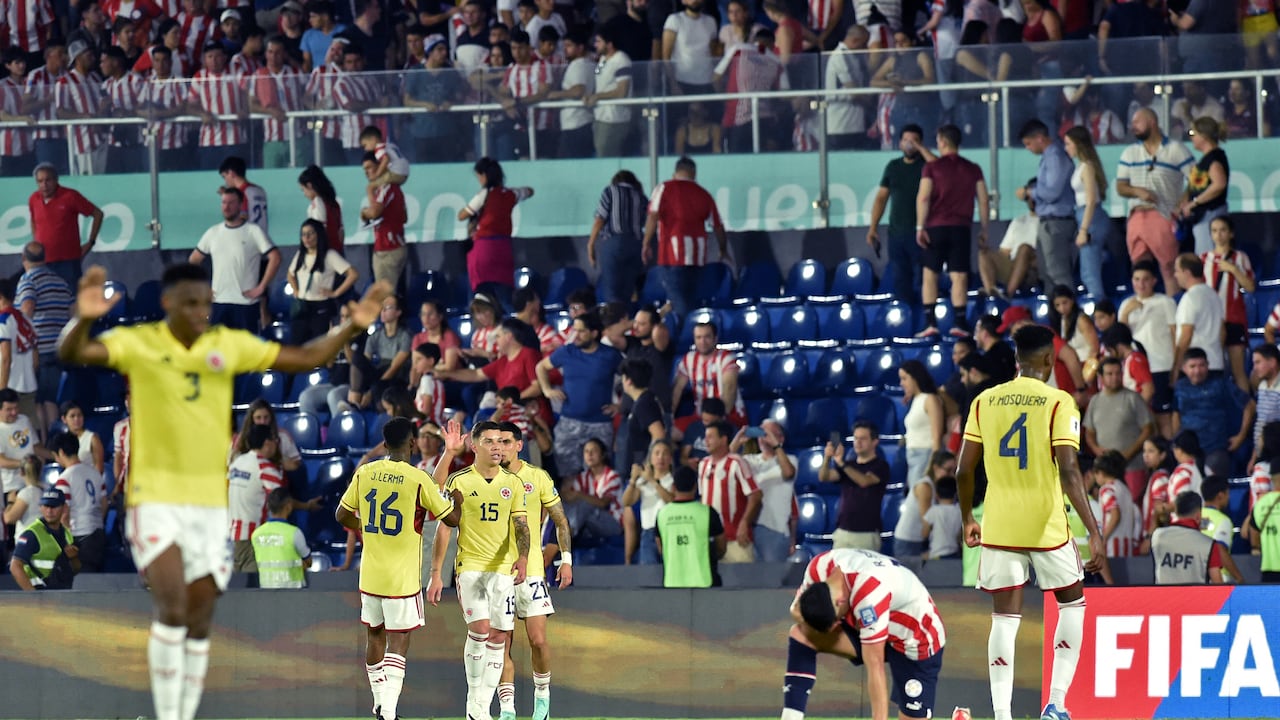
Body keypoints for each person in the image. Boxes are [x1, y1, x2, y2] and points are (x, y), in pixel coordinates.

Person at [57, 262, 390, 720]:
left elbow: (307, 357)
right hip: (155, 499)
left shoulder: (226, 345)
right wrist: (85, 317)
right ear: (168, 303)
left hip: (208, 504)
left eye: (207, 304)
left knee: (195, 616)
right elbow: (72, 349)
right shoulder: (141, 342)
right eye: (191, 303)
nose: (201, 312)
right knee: (172, 604)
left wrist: (351, 325)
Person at [955, 324, 1105, 720]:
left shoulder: (985, 402)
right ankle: (1055, 704)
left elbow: (962, 471)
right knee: (1073, 604)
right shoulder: (1059, 403)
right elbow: (1071, 471)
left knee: (1004, 618)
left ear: (1017, 359)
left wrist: (968, 516)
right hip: (1046, 525)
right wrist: (1094, 530)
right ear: (1049, 359)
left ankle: (1002, 715)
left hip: (1000, 524)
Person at [337, 416, 462, 720]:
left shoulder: (366, 472)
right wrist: (456, 500)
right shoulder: (417, 478)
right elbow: (451, 520)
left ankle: (379, 705)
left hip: (370, 574)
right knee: (400, 638)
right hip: (402, 577)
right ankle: (389, 712)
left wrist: (365, 528)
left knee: (374, 635)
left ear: (385, 442)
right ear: (412, 443)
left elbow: (342, 515)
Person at [426, 420, 530, 720]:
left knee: (499, 637)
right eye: (489, 441)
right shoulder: (460, 481)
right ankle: (474, 699)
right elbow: (438, 506)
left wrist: (522, 558)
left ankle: (481, 708)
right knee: (481, 631)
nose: (497, 446)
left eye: (500, 441)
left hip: (503, 570)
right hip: (470, 566)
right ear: (474, 445)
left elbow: (521, 525)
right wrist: (436, 573)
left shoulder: (512, 483)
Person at [782, 548, 947, 720]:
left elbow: (874, 665)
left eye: (837, 620)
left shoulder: (869, 593)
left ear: (840, 601)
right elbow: (795, 609)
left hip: (915, 640)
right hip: (869, 623)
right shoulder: (818, 569)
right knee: (802, 635)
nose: (837, 626)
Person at [488, 421, 573, 720]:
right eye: (496, 442)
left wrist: (566, 560)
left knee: (538, 639)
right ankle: (507, 710)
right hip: (498, 571)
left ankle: (542, 700)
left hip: (533, 570)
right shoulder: (489, 478)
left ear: (520, 445)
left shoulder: (537, 477)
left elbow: (560, 520)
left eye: (507, 441)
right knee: (501, 643)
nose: (500, 447)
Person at [916, 124, 989, 338]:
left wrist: (920, 226)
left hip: (935, 227)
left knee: (930, 274)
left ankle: (931, 323)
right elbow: (983, 200)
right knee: (959, 276)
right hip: (961, 228)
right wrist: (984, 228)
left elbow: (923, 197)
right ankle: (959, 322)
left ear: (942, 141)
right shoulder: (973, 168)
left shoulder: (932, 168)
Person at [536, 310, 623, 477]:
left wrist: (620, 405)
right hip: (569, 422)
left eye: (581, 331)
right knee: (567, 474)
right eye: (575, 330)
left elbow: (630, 377)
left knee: (600, 475)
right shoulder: (567, 351)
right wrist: (547, 390)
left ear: (594, 333)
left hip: (600, 424)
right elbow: (541, 367)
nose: (576, 335)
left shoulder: (610, 355)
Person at [1116, 108, 1192, 294]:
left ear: (1152, 122)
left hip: (1163, 215)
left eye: (1137, 123)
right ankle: (1143, 311)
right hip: (1136, 215)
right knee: (1140, 268)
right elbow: (1120, 187)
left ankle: (1174, 313)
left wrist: (1182, 204)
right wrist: (1136, 191)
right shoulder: (1130, 153)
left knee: (1168, 268)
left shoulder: (1176, 149)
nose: (1133, 127)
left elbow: (1197, 180)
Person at [643, 156, 729, 318]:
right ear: (694, 173)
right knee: (689, 300)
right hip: (697, 258)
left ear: (675, 172)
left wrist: (646, 242)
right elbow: (717, 226)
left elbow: (653, 216)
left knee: (679, 303)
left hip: (671, 257)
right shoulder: (704, 194)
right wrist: (722, 248)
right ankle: (693, 331)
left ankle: (686, 335)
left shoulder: (664, 188)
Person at [188, 187, 280, 334]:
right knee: (218, 349)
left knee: (246, 350)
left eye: (231, 203)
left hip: (245, 302)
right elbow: (193, 259)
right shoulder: (213, 232)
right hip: (219, 301)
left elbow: (275, 257)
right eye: (224, 202)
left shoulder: (253, 231)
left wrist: (261, 287)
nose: (227, 206)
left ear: (239, 205)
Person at [868, 124, 934, 306]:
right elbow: (881, 198)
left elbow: (939, 167)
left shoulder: (926, 166)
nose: (909, 144)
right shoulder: (893, 166)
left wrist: (921, 149)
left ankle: (925, 319)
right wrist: (873, 227)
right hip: (896, 233)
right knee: (900, 281)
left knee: (923, 279)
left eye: (914, 141)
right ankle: (905, 320)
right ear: (899, 143)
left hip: (921, 233)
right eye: (905, 140)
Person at [18, 242, 73, 440]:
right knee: (51, 402)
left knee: (37, 402)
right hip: (57, 351)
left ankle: (42, 445)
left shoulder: (27, 281)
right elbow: (72, 312)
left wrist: (21, 329)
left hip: (37, 352)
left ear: (23, 258)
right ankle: (55, 443)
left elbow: (27, 306)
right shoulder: (60, 282)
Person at [459, 157, 535, 297]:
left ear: (484, 175)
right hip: (503, 247)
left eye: (479, 176)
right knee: (504, 295)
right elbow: (529, 191)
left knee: (481, 296)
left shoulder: (484, 194)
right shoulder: (511, 194)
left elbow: (462, 215)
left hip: (483, 248)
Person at [1171, 348, 1253, 476]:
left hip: (1215, 449)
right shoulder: (1179, 387)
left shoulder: (1220, 383)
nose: (1197, 371)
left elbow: (1250, 405)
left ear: (1208, 366)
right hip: (1188, 450)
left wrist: (1241, 436)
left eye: (1202, 365)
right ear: (1184, 368)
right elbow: (1176, 414)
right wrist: (1176, 440)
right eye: (1192, 366)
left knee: (1212, 488)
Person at [1119, 260, 1177, 436]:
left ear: (1154, 280)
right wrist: (1126, 313)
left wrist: (1176, 368)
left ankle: (1168, 458)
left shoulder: (1165, 302)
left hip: (1161, 366)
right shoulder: (1126, 304)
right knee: (1142, 418)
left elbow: (1176, 336)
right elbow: (1118, 338)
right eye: (1136, 279)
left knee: (1163, 417)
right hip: (1136, 370)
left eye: (1145, 279)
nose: (1141, 284)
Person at [1018, 120, 1077, 294]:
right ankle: (1056, 316)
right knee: (1046, 273)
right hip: (1048, 222)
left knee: (1058, 273)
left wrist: (1030, 192)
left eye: (1029, 143)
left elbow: (1052, 192)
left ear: (1040, 138)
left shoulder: (1055, 157)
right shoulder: (1049, 158)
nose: (1028, 148)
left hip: (1056, 222)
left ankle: (1070, 315)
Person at [1084, 357, 1156, 500]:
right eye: (1110, 374)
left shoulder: (1133, 398)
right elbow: (1089, 432)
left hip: (1132, 467)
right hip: (1106, 471)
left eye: (1118, 373)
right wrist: (1097, 450)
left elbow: (1148, 429)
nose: (1115, 378)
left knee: (1132, 505)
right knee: (1110, 507)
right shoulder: (1095, 401)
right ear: (1101, 377)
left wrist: (1127, 454)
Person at [1199, 215, 1254, 393]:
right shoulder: (1203, 259)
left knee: (1238, 372)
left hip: (1234, 318)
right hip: (1211, 321)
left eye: (1223, 230)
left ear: (1231, 233)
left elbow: (1250, 286)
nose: (1219, 235)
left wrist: (1233, 270)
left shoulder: (1240, 257)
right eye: (1214, 231)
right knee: (1213, 370)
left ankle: (1246, 412)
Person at [27, 162, 103, 289]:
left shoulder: (70, 196)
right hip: (43, 262)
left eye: (48, 180)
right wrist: (36, 242)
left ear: (56, 180)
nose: (44, 185)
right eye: (40, 181)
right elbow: (34, 220)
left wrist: (91, 242)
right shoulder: (33, 199)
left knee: (71, 301)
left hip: (68, 261)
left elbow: (98, 214)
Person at [730, 420, 796, 562]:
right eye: (762, 433)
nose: (764, 438)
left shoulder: (790, 460)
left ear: (781, 438)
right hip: (748, 527)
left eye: (769, 434)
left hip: (773, 530)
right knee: (749, 579)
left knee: (770, 580)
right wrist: (737, 441)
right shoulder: (749, 460)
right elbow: (725, 463)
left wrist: (775, 445)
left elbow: (789, 472)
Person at [820, 420, 890, 550]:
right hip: (843, 531)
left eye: (863, 439)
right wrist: (827, 458)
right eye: (856, 438)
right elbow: (824, 476)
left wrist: (841, 463)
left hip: (866, 534)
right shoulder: (849, 465)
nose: (858, 442)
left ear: (874, 441)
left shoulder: (880, 466)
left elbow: (864, 481)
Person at [287, 219, 358, 345]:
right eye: (303, 234)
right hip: (302, 305)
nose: (307, 238)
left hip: (320, 306)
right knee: (296, 344)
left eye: (310, 233)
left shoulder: (329, 255)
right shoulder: (301, 254)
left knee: (317, 346)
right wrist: (296, 291)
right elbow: (290, 274)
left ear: (318, 235)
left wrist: (335, 293)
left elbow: (353, 274)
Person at [226, 424, 284, 573]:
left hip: (230, 536)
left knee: (234, 590)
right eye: (274, 440)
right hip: (253, 538)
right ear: (267, 443)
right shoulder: (265, 468)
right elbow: (281, 501)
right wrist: (306, 506)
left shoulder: (236, 463)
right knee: (254, 591)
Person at [1063, 125, 1112, 302]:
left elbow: (1091, 200)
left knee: (1090, 273)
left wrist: (1083, 230)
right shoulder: (1082, 167)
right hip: (1084, 215)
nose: (1066, 148)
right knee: (1088, 271)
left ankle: (1102, 308)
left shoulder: (1087, 168)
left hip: (1090, 217)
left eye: (1068, 144)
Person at [656, 466, 725, 588]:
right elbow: (721, 548)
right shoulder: (708, 513)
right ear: (695, 487)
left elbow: (661, 548)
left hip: (672, 583)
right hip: (705, 582)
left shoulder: (662, 514)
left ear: (673, 487)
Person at [49, 431, 106, 573]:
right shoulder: (95, 474)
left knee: (82, 585)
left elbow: (63, 513)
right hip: (98, 533)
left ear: (60, 452)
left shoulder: (65, 479)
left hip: (80, 535)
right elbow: (104, 503)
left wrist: (66, 539)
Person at [587, 170, 647, 305]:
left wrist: (591, 244)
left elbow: (600, 219)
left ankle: (615, 321)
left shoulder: (610, 191)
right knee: (628, 290)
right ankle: (626, 320)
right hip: (636, 244)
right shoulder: (641, 196)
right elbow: (645, 221)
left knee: (612, 291)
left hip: (614, 242)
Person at [893, 450, 957, 568]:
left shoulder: (939, 488)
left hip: (919, 541)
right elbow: (926, 524)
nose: (952, 475)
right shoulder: (925, 487)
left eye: (954, 471)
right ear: (936, 468)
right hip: (909, 542)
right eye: (948, 470)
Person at [978, 177, 1038, 299]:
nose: (1032, 200)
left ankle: (1008, 294)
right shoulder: (1018, 221)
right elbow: (1004, 252)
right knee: (984, 253)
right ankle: (991, 290)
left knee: (1024, 248)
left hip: (1033, 267)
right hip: (1013, 264)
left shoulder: (1049, 222)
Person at [8, 489, 79, 590]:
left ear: (64, 508)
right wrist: (33, 595)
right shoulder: (32, 534)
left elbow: (74, 570)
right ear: (40, 507)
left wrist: (74, 558)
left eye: (54, 506)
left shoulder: (67, 534)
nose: (49, 511)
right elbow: (15, 566)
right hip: (40, 594)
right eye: (46, 506)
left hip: (61, 594)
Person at [1151, 490, 1226, 585]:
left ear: (1176, 511)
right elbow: (1218, 584)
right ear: (1198, 515)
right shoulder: (1209, 544)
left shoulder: (1158, 536)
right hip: (1195, 599)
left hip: (1162, 599)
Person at [623, 438, 677, 565]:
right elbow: (626, 502)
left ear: (670, 458)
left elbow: (671, 500)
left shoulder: (673, 480)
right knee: (649, 575)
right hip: (648, 532)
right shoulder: (642, 482)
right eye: (657, 453)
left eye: (665, 453)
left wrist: (653, 481)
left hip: (669, 530)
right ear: (651, 458)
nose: (661, 457)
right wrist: (633, 480)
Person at [1171, 254, 1224, 383]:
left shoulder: (1189, 298)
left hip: (1195, 369)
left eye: (1177, 271)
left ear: (1186, 272)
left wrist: (1176, 368)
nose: (1175, 275)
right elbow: (1223, 332)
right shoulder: (1214, 295)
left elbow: (1186, 335)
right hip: (1216, 363)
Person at [1181, 117, 1230, 256]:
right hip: (1203, 216)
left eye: (1193, 133)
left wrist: (1194, 202)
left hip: (1210, 214)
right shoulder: (1208, 158)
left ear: (1203, 136)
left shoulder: (1214, 158)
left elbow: (1219, 184)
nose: (1191, 138)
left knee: (1208, 255)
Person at [360, 152, 409, 291]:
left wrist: (365, 208)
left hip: (388, 249)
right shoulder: (395, 189)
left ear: (382, 166)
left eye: (369, 167)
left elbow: (374, 212)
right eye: (364, 170)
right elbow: (404, 217)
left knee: (385, 298)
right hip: (392, 247)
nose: (367, 173)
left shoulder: (386, 188)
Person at [250, 487, 312, 589]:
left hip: (266, 590)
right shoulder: (294, 533)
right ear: (288, 506)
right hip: (293, 592)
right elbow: (309, 562)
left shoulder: (256, 534)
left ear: (268, 506)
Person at [899, 360, 944, 487]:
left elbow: (937, 437)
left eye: (904, 378)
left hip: (925, 456)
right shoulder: (915, 400)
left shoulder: (930, 399)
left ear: (915, 378)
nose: (901, 383)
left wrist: (932, 467)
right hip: (912, 456)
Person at [0, 279, 39, 420]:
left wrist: (2, 390)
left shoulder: (3, 321)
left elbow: (5, 358)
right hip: (29, 383)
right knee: (30, 426)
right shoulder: (25, 319)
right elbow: (35, 356)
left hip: (10, 385)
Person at [1091, 451, 1141, 559]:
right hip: (1127, 545)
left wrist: (1103, 538)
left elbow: (1115, 514)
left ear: (1101, 472)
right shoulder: (1125, 489)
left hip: (1112, 546)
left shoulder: (1107, 489)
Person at [1199, 476, 1247, 582]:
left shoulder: (1195, 516)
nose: (1229, 498)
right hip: (1217, 579)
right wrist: (1239, 578)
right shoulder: (1222, 520)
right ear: (1220, 496)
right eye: (1227, 494)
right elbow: (1220, 550)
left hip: (1197, 577)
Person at [298, 164, 345, 255]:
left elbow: (317, 232)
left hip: (324, 253)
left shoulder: (317, 202)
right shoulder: (334, 203)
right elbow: (341, 232)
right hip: (337, 251)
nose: (304, 194)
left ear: (309, 185)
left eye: (303, 190)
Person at [923, 476, 962, 560]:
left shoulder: (934, 511)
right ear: (956, 493)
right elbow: (960, 535)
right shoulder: (959, 511)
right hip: (954, 554)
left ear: (936, 494)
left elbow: (924, 533)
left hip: (937, 555)